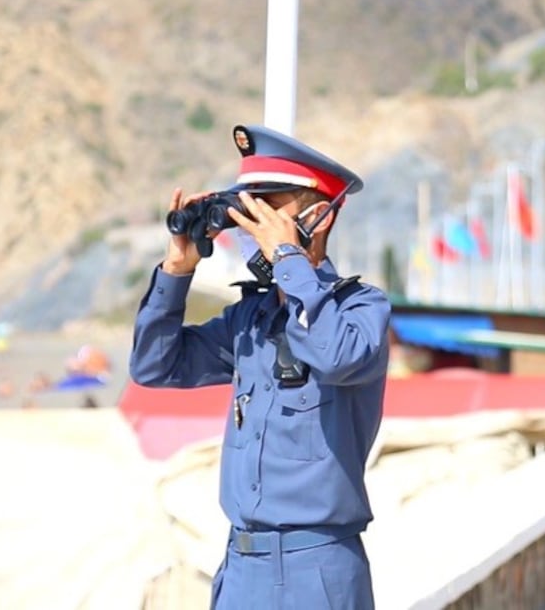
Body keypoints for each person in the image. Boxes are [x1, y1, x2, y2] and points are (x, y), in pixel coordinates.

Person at [130, 124, 391, 610]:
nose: (253, 229)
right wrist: (177, 272)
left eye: (269, 211)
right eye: (247, 211)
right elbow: (154, 367)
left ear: (320, 216)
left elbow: (336, 355)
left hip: (319, 567)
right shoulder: (250, 318)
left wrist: (290, 260)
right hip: (242, 564)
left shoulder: (360, 310)